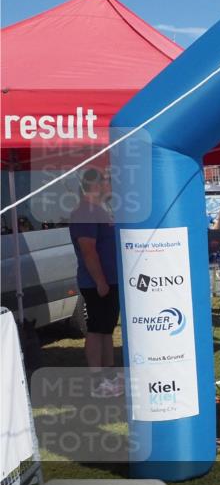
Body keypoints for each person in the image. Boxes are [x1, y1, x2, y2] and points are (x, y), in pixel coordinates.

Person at [69, 169, 123, 396]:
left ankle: (109, 375)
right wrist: (100, 281)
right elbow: (88, 250)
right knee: (96, 329)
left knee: (106, 329)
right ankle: (97, 381)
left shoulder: (100, 210)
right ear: (95, 184)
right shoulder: (85, 212)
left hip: (109, 280)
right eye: (107, 180)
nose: (111, 184)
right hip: (97, 282)